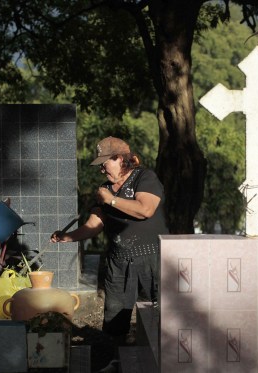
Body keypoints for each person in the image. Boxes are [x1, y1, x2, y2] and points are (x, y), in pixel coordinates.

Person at [50, 136, 169, 344]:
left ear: (119, 159)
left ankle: (161, 359)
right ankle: (117, 361)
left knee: (159, 311)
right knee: (115, 318)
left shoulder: (145, 178)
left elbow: (145, 210)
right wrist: (67, 237)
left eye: (104, 164)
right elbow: (93, 225)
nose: (102, 170)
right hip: (119, 260)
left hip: (151, 256)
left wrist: (111, 200)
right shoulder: (105, 189)